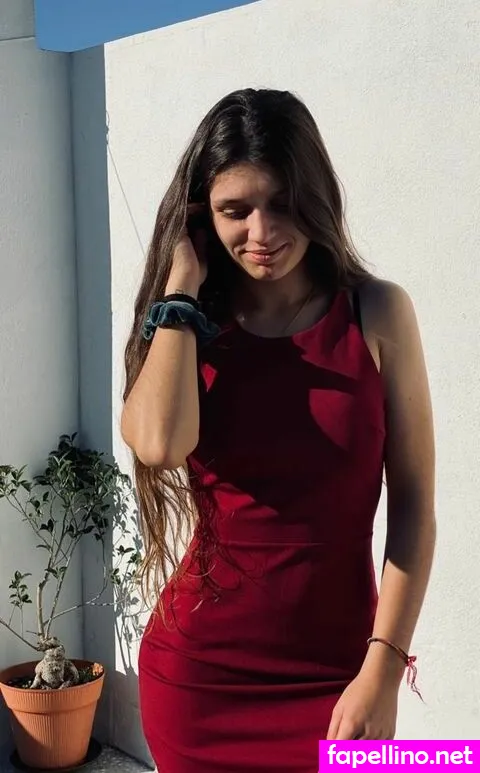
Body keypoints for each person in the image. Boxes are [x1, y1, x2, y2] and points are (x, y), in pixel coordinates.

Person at [121, 88, 436, 773]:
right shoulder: (187, 328)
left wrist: (384, 667)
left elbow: (414, 504)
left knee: (440, 762)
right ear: (202, 216)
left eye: (284, 202)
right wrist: (180, 285)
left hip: (343, 679)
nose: (262, 232)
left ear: (317, 198)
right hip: (200, 685)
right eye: (235, 210)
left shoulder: (378, 313)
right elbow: (158, 444)